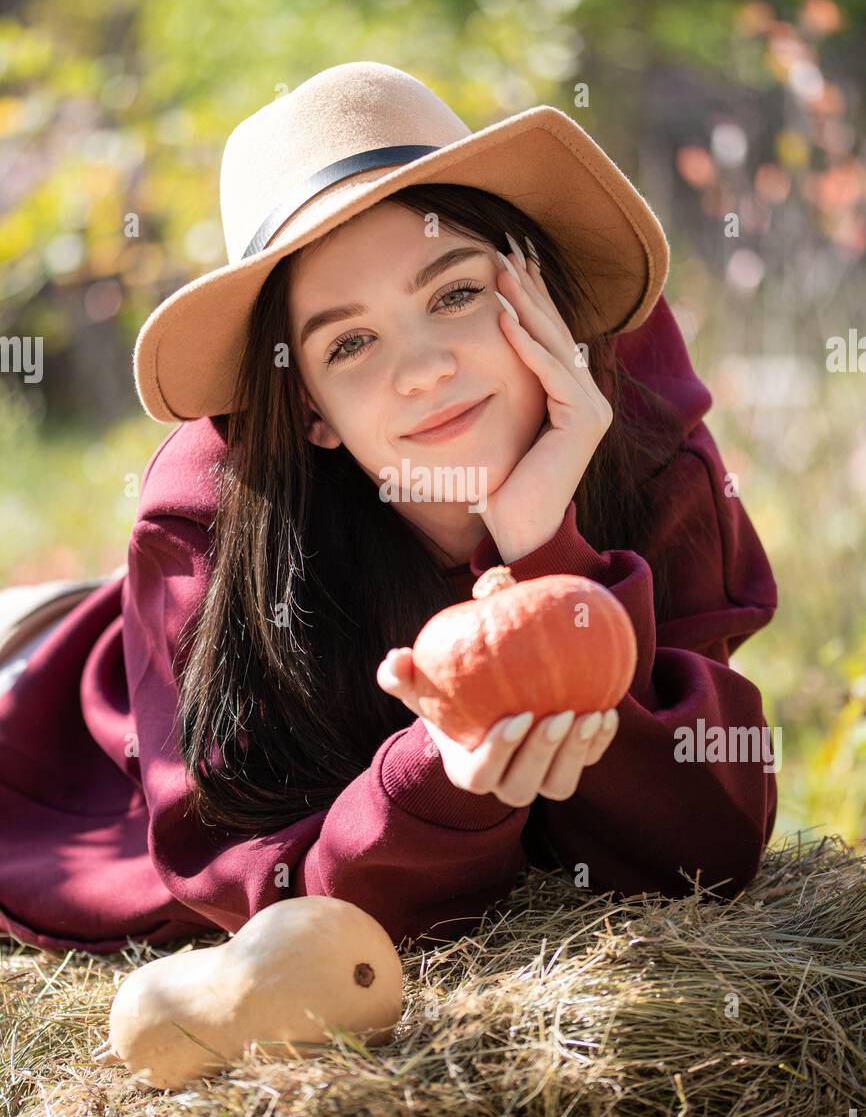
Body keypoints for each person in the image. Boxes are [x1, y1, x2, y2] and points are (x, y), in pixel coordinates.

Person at [0, 62, 778, 956]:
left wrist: (543, 554)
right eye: (353, 342)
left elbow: (708, 846)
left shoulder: (642, 433)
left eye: (453, 294)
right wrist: (438, 775)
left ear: (541, 293)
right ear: (309, 410)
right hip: (68, 695)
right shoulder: (205, 533)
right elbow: (281, 905)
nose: (422, 370)